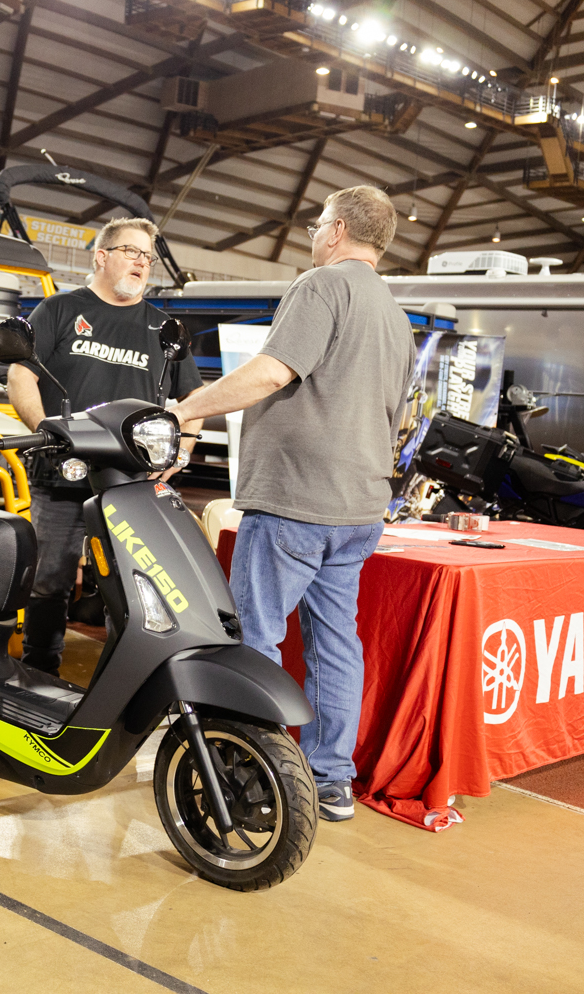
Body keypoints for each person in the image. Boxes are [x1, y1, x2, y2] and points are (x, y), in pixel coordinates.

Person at [168, 186, 415, 822]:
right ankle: (331, 782)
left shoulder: (321, 285)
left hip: (296, 499)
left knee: (256, 637)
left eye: (316, 225)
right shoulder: (394, 313)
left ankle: (252, 775)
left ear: (337, 230)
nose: (313, 236)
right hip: (359, 508)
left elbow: (272, 371)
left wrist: (185, 409)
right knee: (336, 643)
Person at [7, 216, 204, 676]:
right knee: (49, 580)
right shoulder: (59, 310)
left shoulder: (163, 327)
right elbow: (20, 375)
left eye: (147, 256)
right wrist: (48, 432)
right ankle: (39, 673)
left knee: (132, 588)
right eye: (131, 252)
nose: (142, 262)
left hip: (130, 483)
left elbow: (195, 398)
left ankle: (119, 684)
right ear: (101, 256)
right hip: (61, 474)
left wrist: (181, 451)